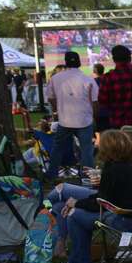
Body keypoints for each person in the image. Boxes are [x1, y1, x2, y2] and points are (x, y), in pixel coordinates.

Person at [48, 130, 132, 263]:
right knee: (62, 206)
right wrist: (75, 202)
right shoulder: (131, 164)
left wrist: (76, 203)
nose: (96, 145)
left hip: (126, 220)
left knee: (74, 215)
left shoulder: (114, 169)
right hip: (131, 216)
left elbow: (102, 203)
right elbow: (104, 198)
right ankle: (75, 261)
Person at [45, 50, 99, 179]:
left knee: (58, 148)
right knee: (86, 150)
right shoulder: (88, 79)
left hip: (65, 119)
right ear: (79, 63)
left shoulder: (56, 78)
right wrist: (94, 116)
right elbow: (95, 102)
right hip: (84, 119)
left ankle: (51, 174)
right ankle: (88, 177)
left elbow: (51, 97)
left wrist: (56, 110)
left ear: (66, 63)